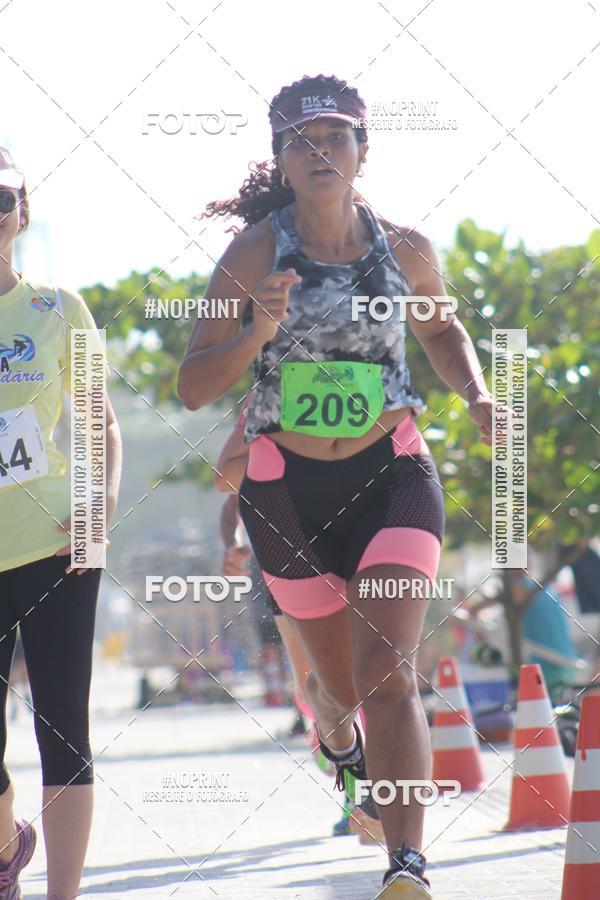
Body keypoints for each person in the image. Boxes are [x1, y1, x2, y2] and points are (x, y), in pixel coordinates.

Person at [179, 74, 494, 897]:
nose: (319, 152)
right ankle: (342, 746)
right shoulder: (254, 255)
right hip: (285, 492)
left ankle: (407, 864)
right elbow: (194, 386)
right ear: (281, 160)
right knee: (342, 688)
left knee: (387, 674)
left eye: (335, 137)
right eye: (300, 142)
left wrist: (477, 395)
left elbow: (442, 328)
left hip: (392, 474)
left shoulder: (408, 249)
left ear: (362, 150)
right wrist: (257, 332)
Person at [0, 148, 122, 898]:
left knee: (63, 729)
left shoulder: (58, 309)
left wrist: (97, 514)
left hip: (56, 546)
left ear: (22, 213)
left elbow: (98, 422)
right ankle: (9, 842)